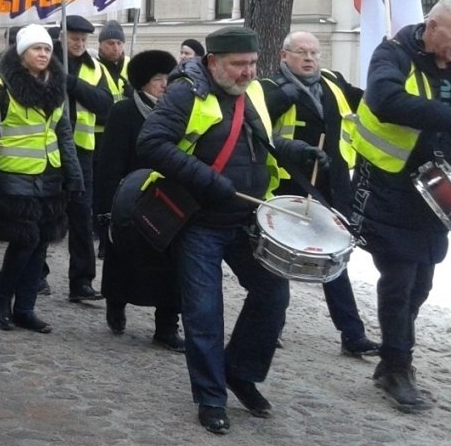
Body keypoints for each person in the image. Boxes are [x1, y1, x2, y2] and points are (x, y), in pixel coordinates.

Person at [137, 26, 325, 434]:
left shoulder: (253, 90)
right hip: (200, 222)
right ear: (213, 62)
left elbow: (261, 140)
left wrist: (299, 151)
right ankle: (210, 397)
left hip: (247, 220)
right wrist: (206, 179)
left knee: (273, 294)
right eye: (239, 65)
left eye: (254, 64)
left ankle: (239, 372)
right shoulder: (187, 91)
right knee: (205, 313)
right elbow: (151, 142)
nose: (248, 73)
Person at [349, 0, 451, 413]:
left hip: (436, 193)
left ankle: (392, 358)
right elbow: (384, 100)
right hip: (389, 187)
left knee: (422, 284)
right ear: (432, 27)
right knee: (399, 280)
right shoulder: (392, 54)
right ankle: (398, 367)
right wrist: (448, 118)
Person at [257, 31, 380, 357]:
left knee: (334, 260)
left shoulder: (333, 83)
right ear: (285, 56)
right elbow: (258, 130)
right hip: (287, 186)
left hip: (333, 186)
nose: (309, 58)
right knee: (279, 263)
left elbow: (370, 100)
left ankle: (352, 335)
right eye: (301, 52)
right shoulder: (269, 89)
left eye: (314, 52)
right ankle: (272, 325)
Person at [0, 25, 82, 335]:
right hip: (15, 174)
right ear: (22, 53)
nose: (43, 54)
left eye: (46, 49)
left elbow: (64, 134)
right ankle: (2, 302)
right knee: (23, 242)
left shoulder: (57, 87)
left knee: (41, 243)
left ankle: (26, 308)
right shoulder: (2, 87)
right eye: (36, 48)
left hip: (50, 175)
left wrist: (74, 176)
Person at [94, 49, 183, 351]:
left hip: (169, 201)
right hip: (129, 199)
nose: (164, 85)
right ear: (143, 83)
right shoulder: (123, 113)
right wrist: (106, 207)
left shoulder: (180, 112)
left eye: (168, 79)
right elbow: (109, 163)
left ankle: (167, 326)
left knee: (172, 266)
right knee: (124, 260)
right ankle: (116, 304)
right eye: (158, 79)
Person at [60, 15, 114, 301]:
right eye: (74, 38)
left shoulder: (95, 68)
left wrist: (74, 85)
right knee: (46, 217)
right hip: (50, 150)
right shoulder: (49, 60)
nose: (79, 44)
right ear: (62, 36)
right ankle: (37, 275)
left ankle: (81, 281)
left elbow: (105, 105)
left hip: (82, 150)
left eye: (83, 39)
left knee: (82, 216)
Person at [96, 20, 131, 97]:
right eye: (111, 43)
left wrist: (136, 94)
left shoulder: (132, 65)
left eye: (119, 43)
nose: (116, 48)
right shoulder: (93, 67)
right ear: (101, 45)